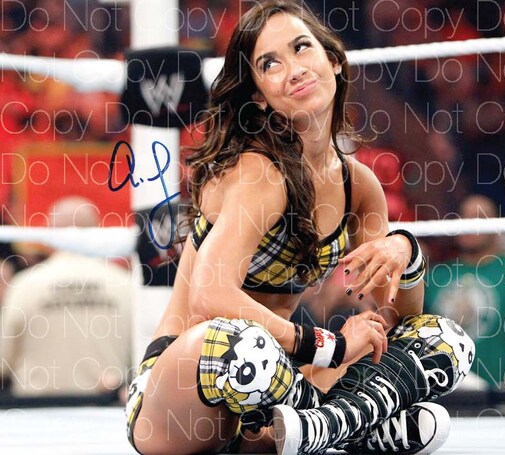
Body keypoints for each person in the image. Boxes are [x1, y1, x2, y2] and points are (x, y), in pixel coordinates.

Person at [125, 2, 474, 454]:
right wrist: (330, 348)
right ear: (258, 95)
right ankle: (354, 425)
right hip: (188, 390)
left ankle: (315, 428)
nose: (293, 70)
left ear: (334, 60)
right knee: (242, 345)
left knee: (445, 340)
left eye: (301, 47)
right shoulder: (257, 172)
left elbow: (393, 320)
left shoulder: (359, 186)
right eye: (270, 64)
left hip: (280, 387)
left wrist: (405, 252)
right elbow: (209, 297)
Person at [0, 196, 132, 397]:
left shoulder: (25, 285)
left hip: (34, 410)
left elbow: (3, 360)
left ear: (50, 233)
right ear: (97, 231)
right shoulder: (126, 285)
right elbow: (146, 358)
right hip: (106, 408)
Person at [424, 194, 505, 388]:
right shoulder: (436, 276)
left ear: (496, 225)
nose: (469, 224)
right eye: (464, 217)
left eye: (478, 217)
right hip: (442, 392)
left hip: (498, 391)